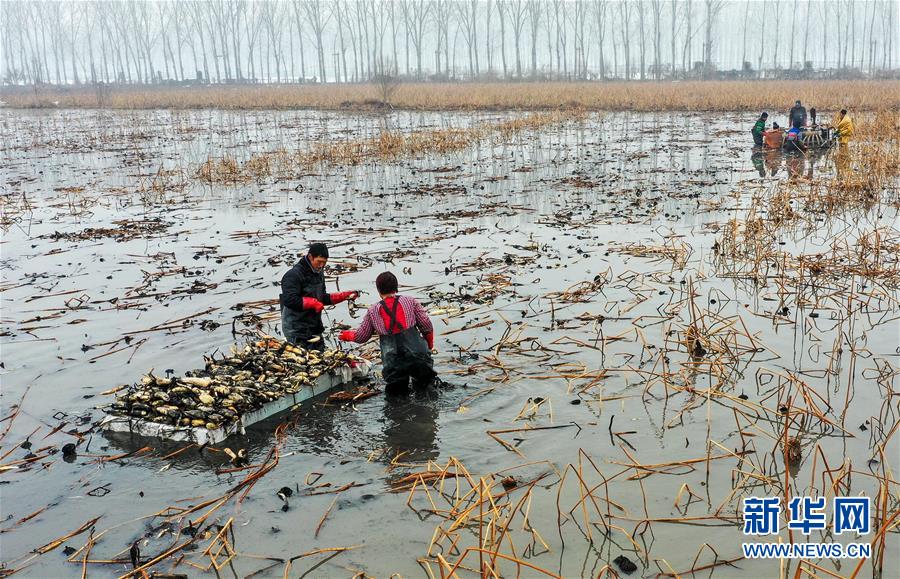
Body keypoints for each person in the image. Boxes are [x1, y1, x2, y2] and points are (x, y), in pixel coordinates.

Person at [339, 272, 436, 395]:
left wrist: (347, 335)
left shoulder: (373, 311)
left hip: (393, 363)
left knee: (396, 397)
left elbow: (361, 337)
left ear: (379, 291)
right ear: (396, 287)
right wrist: (429, 344)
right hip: (418, 357)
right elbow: (426, 325)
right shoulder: (411, 302)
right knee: (427, 390)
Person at [280, 242, 358, 350]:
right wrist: (312, 303)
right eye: (319, 261)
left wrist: (344, 296)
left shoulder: (319, 273)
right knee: (302, 357)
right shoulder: (293, 275)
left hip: (314, 326)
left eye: (324, 262)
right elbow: (289, 300)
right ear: (310, 257)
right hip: (295, 329)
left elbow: (322, 298)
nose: (321, 265)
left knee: (321, 355)